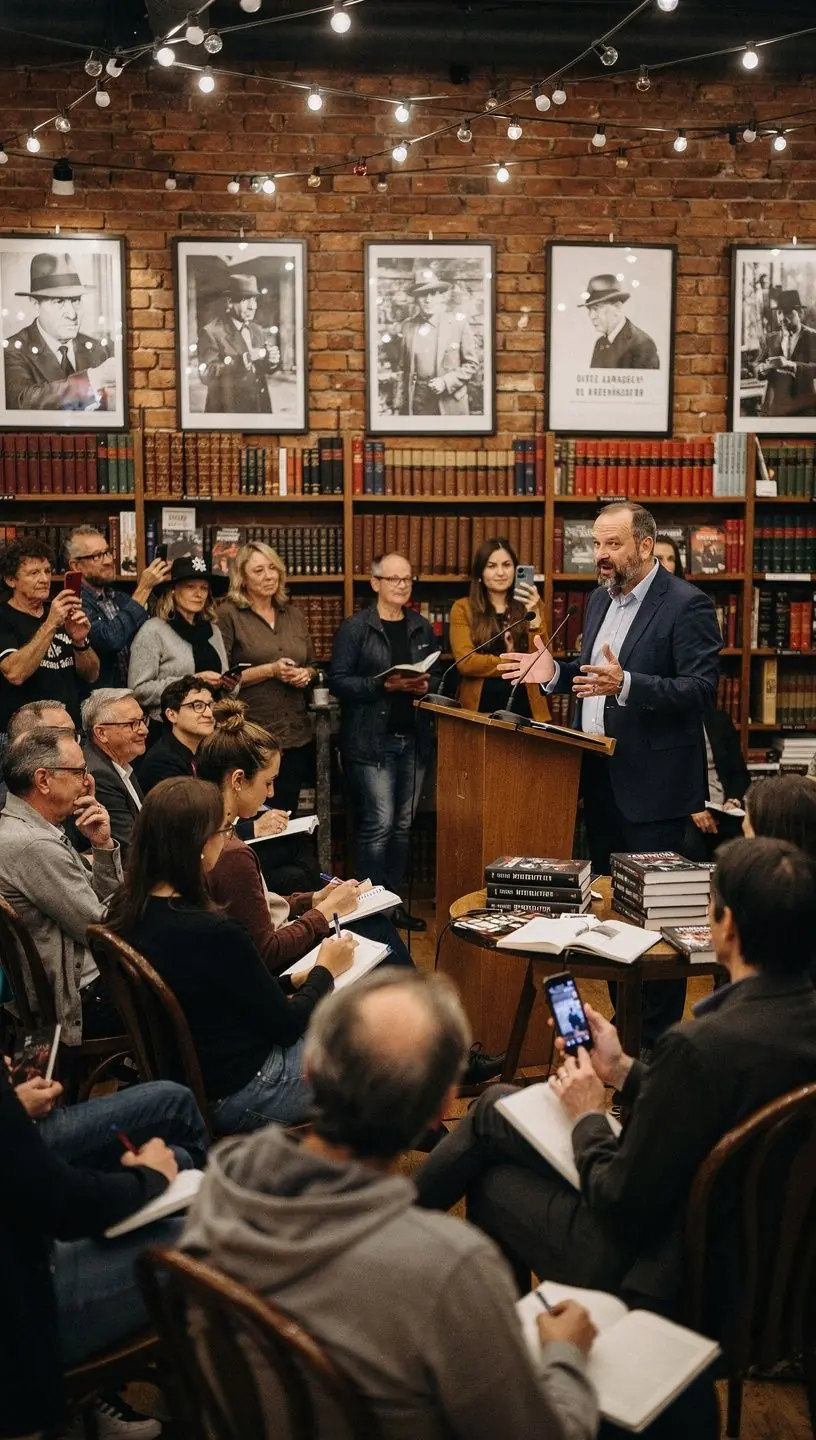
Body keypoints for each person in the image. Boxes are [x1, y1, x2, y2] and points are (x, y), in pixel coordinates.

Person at [416, 838, 816, 1349]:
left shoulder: (698, 1046)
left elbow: (619, 1203)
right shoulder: (774, 1027)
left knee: (493, 1183)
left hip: (671, 1281)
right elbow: (722, 1106)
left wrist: (588, 1114)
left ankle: (509, 1353)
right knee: (496, 1106)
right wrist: (623, 1068)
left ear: (728, 927)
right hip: (762, 1269)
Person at [182, 969, 599, 1440]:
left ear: (310, 1072)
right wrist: (564, 1356)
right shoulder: (449, 1268)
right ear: (441, 1109)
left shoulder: (223, 1184)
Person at [501, 501, 722, 1044]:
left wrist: (626, 685)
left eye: (612, 545)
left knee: (658, 928)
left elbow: (700, 691)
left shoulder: (687, 604)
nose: (600, 556)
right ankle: (620, 1043)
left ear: (645, 546)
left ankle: (654, 1057)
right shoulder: (599, 600)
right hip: (598, 783)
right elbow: (594, 672)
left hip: (657, 794)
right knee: (610, 921)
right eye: (596, 545)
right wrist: (554, 674)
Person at [107, 776, 355, 1135]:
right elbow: (285, 1026)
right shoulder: (213, 931)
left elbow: (216, 988)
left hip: (185, 1077)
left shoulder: (125, 910)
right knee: (365, 1043)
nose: (227, 838)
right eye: (223, 830)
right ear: (199, 846)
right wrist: (325, 971)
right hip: (242, 1090)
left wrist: (292, 979)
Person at [1, 1062, 180, 1440]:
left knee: (174, 1127)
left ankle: (85, 1410)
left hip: (26, 1256)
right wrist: (148, 1177)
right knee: (206, 1239)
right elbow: (63, 1204)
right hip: (22, 1325)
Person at [198, 697, 415, 973]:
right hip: (270, 977)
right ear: (238, 780)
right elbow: (267, 953)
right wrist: (323, 913)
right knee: (377, 930)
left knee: (370, 927)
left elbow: (253, 910)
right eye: (268, 782)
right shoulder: (229, 851)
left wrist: (312, 900)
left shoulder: (211, 827)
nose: (271, 793)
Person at [329, 553, 437, 932]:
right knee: (379, 824)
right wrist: (381, 684)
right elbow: (337, 681)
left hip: (414, 739)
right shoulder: (357, 628)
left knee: (403, 826)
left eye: (407, 579)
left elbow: (439, 677)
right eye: (393, 579)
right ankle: (368, 910)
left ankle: (392, 905)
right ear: (375, 583)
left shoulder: (421, 626)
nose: (401, 586)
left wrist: (427, 684)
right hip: (371, 742)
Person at [0, 727, 123, 1043]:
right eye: (80, 771)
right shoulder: (33, 844)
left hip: (87, 978)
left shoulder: (27, 828)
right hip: (82, 998)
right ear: (43, 780)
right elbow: (103, 930)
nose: (87, 782)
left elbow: (101, 910)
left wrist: (102, 844)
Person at [216, 541, 318, 815]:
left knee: (286, 814)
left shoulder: (294, 614)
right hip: (252, 734)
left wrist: (304, 675)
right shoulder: (228, 614)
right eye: (259, 570)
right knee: (256, 816)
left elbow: (312, 665)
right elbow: (221, 678)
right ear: (243, 579)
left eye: (273, 568)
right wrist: (270, 670)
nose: (269, 575)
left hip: (295, 734)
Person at [0, 537, 99, 739]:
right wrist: (51, 624)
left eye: (47, 571)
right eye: (34, 573)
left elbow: (92, 675)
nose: (45, 579)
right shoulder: (4, 617)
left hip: (69, 732)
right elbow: (15, 673)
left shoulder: (59, 615)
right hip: (25, 738)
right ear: (11, 580)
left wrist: (81, 642)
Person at [3, 250, 118, 412]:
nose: (72, 314)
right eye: (59, 302)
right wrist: (93, 379)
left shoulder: (102, 349)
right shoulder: (12, 351)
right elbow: (22, 401)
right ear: (36, 305)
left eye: (76, 300)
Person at [449, 537, 550, 720]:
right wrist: (518, 665)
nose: (501, 573)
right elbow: (467, 662)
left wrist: (535, 615)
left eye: (507, 565)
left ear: (515, 569)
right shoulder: (463, 608)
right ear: (480, 572)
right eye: (492, 566)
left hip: (525, 707)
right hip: (479, 710)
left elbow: (543, 658)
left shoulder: (532, 605)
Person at [67, 525, 171, 688]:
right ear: (76, 566)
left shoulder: (121, 598)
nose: (109, 561)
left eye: (108, 552)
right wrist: (144, 588)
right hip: (99, 703)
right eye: (97, 556)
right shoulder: (72, 602)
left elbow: (152, 635)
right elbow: (109, 640)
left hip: (134, 697)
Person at [127, 555, 228, 722]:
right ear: (173, 590)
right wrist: (192, 681)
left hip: (211, 724)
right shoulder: (153, 630)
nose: (198, 594)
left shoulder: (213, 630)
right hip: (169, 727)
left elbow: (225, 683)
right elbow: (138, 691)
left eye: (203, 588)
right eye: (190, 587)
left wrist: (229, 683)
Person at [197, 272, 281, 415]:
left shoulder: (257, 330)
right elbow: (206, 374)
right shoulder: (212, 331)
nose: (252, 306)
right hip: (228, 411)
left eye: (254, 300)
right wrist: (241, 360)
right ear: (229, 301)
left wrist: (271, 361)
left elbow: (263, 367)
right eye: (246, 299)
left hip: (259, 408)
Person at [397, 275, 479, 417]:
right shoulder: (407, 326)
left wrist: (446, 382)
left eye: (433, 294)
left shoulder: (458, 325)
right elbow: (403, 368)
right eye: (423, 295)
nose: (428, 300)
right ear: (416, 298)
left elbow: (472, 364)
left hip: (450, 401)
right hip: (419, 403)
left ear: (441, 297)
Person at [82, 688, 148, 857]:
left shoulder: (121, 761)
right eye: (132, 724)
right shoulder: (99, 774)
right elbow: (131, 846)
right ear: (101, 733)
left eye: (142, 720)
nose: (144, 730)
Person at [682, 704, 749, 862]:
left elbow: (740, 773)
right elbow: (664, 780)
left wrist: (734, 799)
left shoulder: (719, 720)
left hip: (723, 807)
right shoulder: (664, 722)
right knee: (690, 843)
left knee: (747, 846)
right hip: (684, 809)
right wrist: (692, 806)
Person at [133, 676, 214, 795]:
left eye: (210, 705)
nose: (209, 713)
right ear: (172, 715)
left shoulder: (203, 752)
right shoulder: (163, 762)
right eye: (198, 706)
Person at [756, 289, 816, 419]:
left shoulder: (812, 337)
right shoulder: (771, 339)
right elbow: (759, 364)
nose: (782, 317)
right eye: (779, 312)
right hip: (774, 408)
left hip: (804, 408)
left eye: (788, 312)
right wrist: (761, 369)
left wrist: (791, 365)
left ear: (800, 312)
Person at [579, 274, 659, 369]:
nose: (591, 316)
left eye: (597, 308)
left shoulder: (642, 344)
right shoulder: (600, 343)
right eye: (590, 309)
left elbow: (647, 383)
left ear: (617, 307)